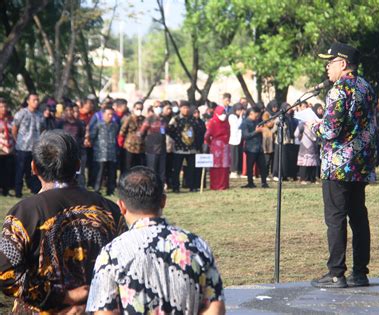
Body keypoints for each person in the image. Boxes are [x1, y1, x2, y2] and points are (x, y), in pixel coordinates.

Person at [0, 130, 124, 313]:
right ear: (78, 165)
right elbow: (128, 266)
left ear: (33, 168)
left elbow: (5, 273)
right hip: (100, 309)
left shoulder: (25, 213)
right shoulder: (111, 210)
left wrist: (63, 297)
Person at [86, 166, 225, 314]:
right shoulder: (196, 245)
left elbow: (104, 311)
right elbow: (215, 306)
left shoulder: (112, 253)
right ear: (163, 201)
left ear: (122, 206)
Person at [311, 42, 376, 288]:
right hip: (360, 163)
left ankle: (336, 273)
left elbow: (330, 129)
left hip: (337, 165)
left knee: (336, 218)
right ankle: (360, 273)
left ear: (343, 63)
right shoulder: (366, 87)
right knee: (358, 217)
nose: (327, 67)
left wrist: (314, 126)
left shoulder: (339, 90)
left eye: (330, 62)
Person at [12, 93, 43, 197]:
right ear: (28, 101)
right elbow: (14, 128)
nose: (36, 102)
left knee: (34, 170)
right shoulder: (22, 113)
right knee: (20, 170)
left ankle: (35, 190)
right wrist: (17, 140)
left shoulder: (39, 115)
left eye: (37, 100)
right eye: (34, 100)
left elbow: (42, 130)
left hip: (35, 148)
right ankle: (18, 192)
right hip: (22, 147)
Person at [167, 100, 200, 192]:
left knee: (192, 168)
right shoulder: (176, 119)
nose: (186, 110)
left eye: (187, 108)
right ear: (180, 109)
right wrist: (177, 138)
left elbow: (197, 131)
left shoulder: (192, 119)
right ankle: (176, 187)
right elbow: (169, 130)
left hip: (191, 148)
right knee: (176, 169)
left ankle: (192, 186)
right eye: (184, 108)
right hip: (179, 148)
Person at [90, 105, 119, 195]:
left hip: (111, 152)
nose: (110, 116)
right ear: (103, 115)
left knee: (111, 173)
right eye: (108, 114)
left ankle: (110, 190)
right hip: (100, 152)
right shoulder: (98, 124)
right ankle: (97, 189)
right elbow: (92, 136)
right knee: (99, 172)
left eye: (112, 114)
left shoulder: (115, 125)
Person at [240, 107, 269, 188]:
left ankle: (264, 182)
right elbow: (246, 136)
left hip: (259, 147)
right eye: (255, 116)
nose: (257, 118)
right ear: (251, 113)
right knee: (250, 167)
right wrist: (256, 131)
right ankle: (250, 183)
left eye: (257, 116)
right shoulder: (245, 123)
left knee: (263, 166)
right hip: (250, 148)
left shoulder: (257, 121)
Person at [140, 101, 167, 184]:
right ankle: (152, 185)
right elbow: (142, 132)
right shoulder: (149, 118)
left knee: (162, 169)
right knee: (152, 169)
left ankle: (161, 186)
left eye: (160, 106)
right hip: (151, 148)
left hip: (162, 147)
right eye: (156, 106)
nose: (158, 108)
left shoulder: (164, 118)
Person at [58, 103, 86, 186]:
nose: (69, 112)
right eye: (67, 110)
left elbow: (82, 136)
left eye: (71, 110)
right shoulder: (61, 123)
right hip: (64, 150)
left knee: (78, 171)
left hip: (77, 150)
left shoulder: (79, 123)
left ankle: (79, 187)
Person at [205, 106, 231, 190]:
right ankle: (220, 185)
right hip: (219, 146)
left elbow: (207, 136)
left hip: (219, 146)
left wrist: (210, 143)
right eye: (221, 113)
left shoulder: (224, 122)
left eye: (224, 113)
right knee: (218, 166)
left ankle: (220, 185)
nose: (223, 115)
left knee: (223, 166)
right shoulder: (213, 122)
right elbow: (207, 136)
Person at [119, 101, 146, 170]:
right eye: (137, 108)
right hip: (130, 146)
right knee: (128, 166)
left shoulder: (143, 119)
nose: (139, 110)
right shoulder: (128, 119)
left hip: (140, 147)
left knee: (139, 167)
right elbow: (122, 132)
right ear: (133, 108)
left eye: (141, 109)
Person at [0, 98, 15, 196]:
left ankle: (7, 189)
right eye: (1, 107)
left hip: (10, 149)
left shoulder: (11, 120)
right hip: (0, 149)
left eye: (5, 106)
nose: (4, 109)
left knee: (8, 170)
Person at [229, 104, 244, 178]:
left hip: (239, 139)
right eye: (239, 110)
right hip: (233, 139)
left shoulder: (239, 117)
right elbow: (238, 125)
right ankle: (233, 171)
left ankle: (238, 170)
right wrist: (241, 117)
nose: (240, 112)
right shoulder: (232, 117)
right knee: (234, 156)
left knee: (238, 156)